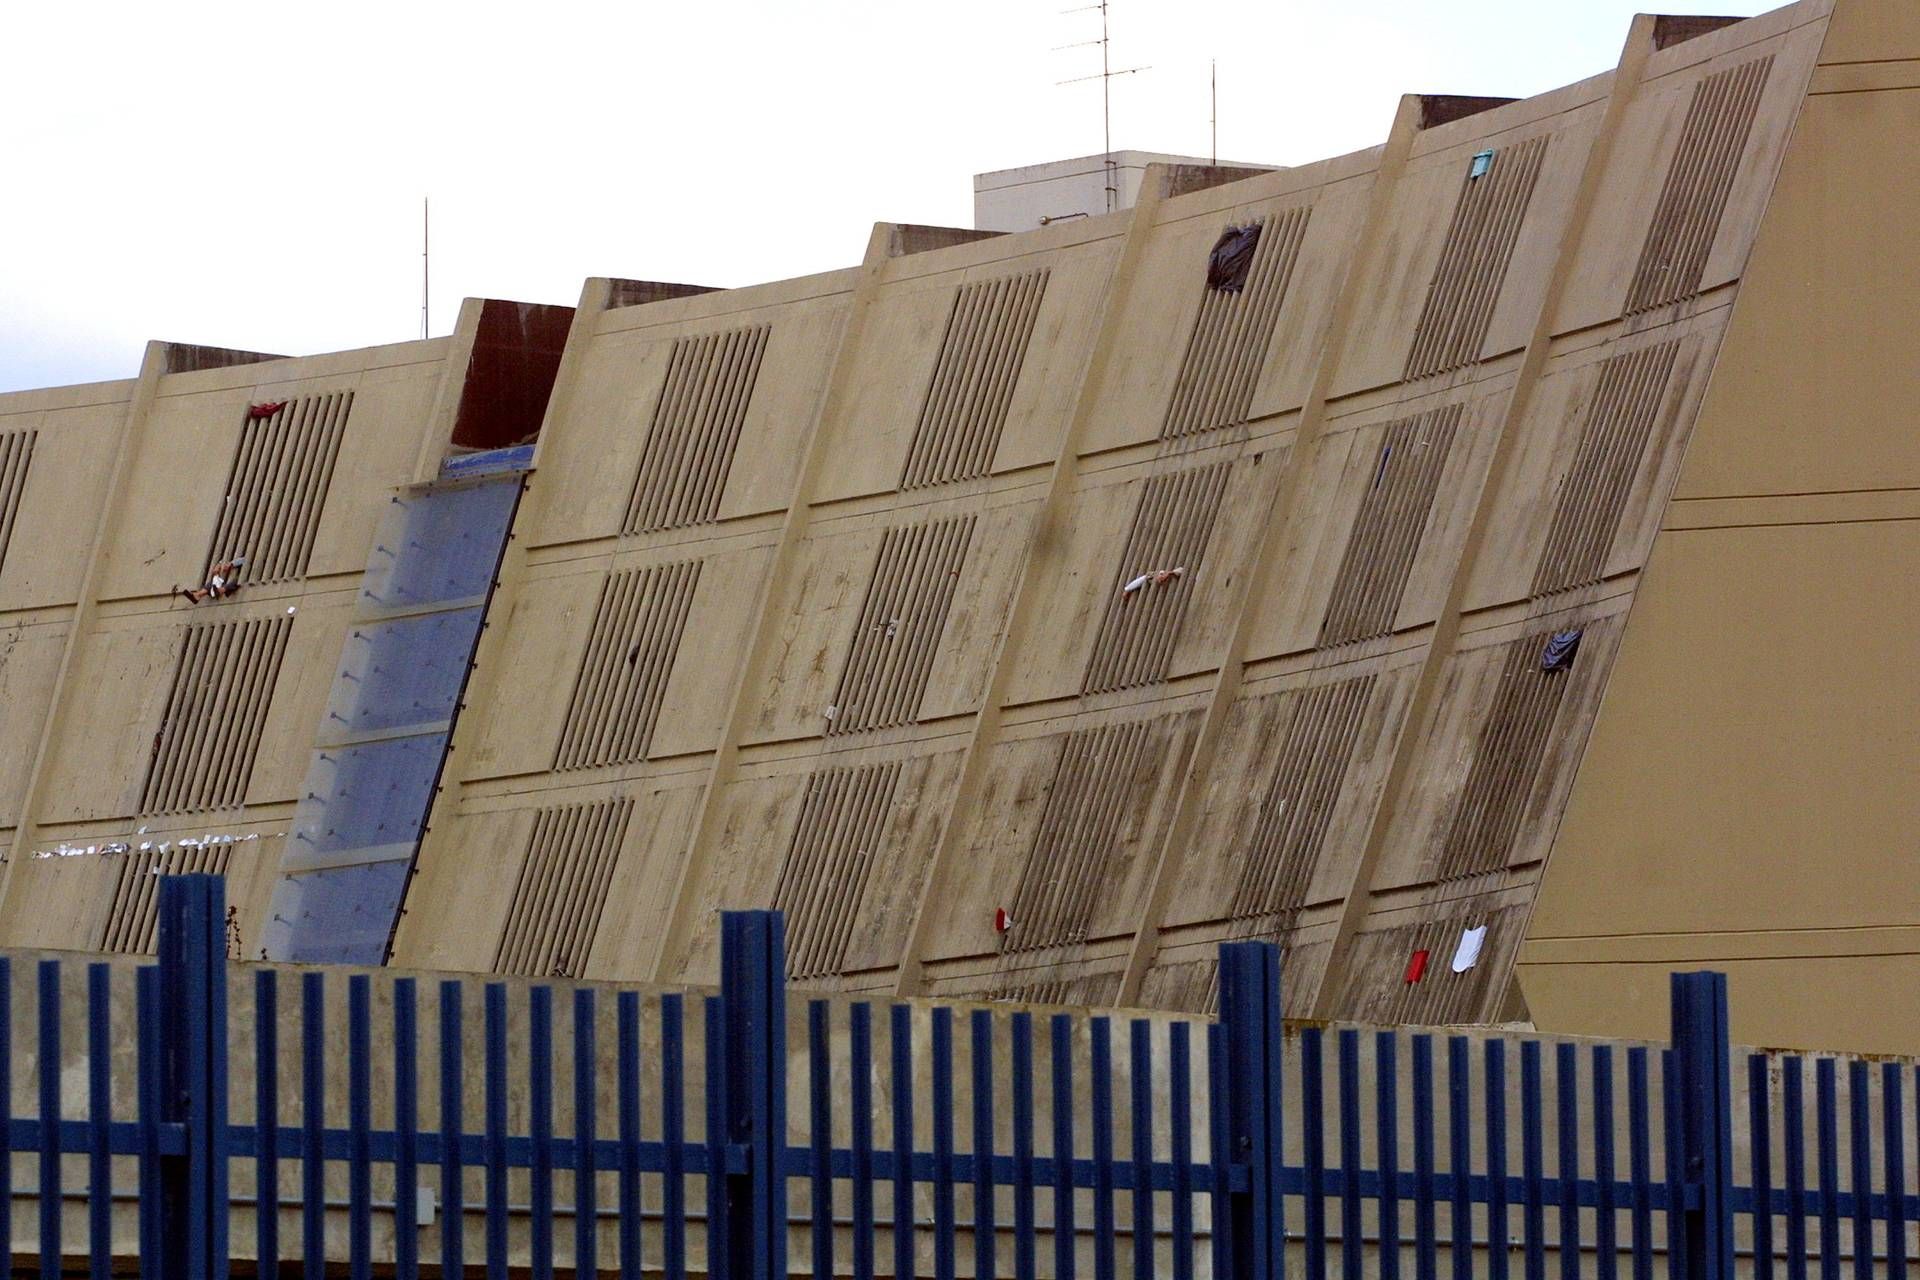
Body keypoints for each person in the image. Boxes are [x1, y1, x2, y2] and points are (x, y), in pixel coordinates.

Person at [179, 556, 246, 604]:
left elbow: (246, 559)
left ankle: (220, 590)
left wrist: (231, 564)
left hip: (243, 578)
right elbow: (222, 560)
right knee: (213, 582)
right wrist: (218, 565)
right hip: (227, 581)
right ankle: (198, 595)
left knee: (236, 580)